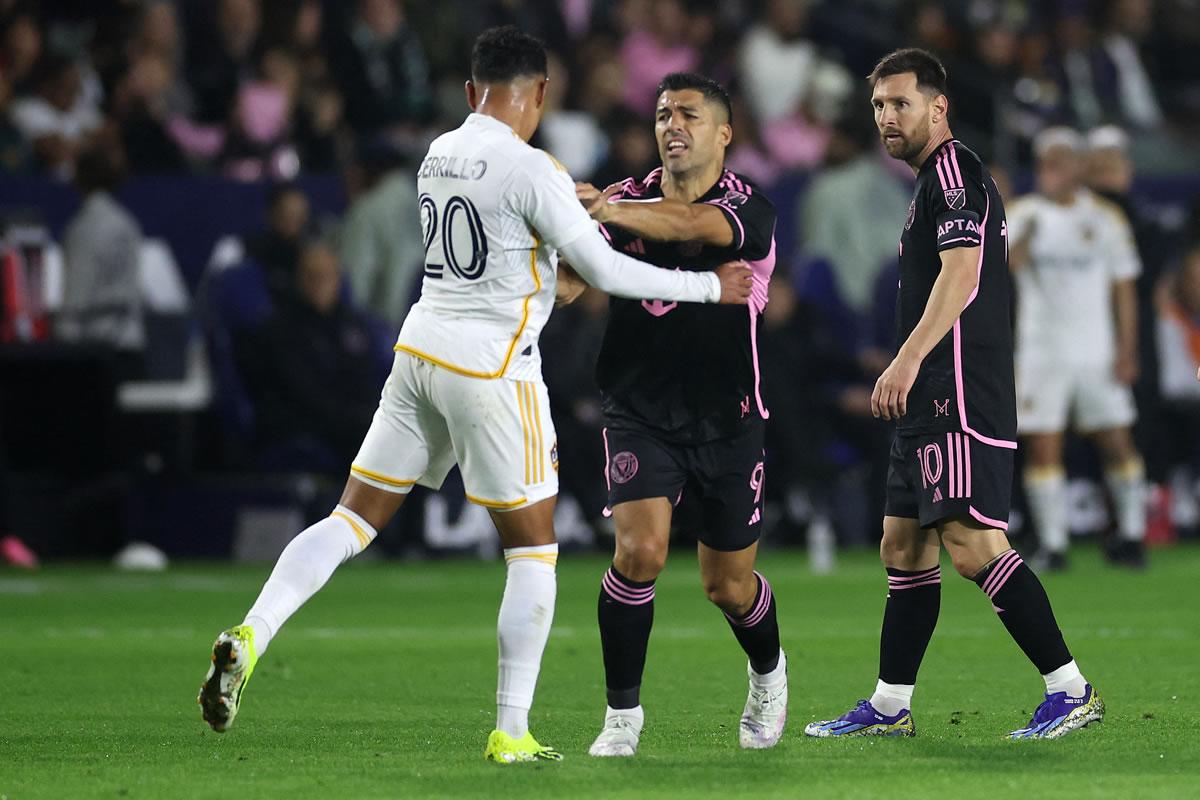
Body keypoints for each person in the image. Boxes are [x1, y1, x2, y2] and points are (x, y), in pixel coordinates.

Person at [196, 26, 752, 766]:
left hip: (420, 351)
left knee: (351, 518)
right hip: (494, 369)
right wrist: (709, 285)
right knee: (534, 552)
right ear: (542, 94)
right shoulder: (532, 169)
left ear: (471, 92)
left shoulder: (437, 154)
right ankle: (511, 730)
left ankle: (255, 631)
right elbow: (609, 275)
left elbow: (523, 263)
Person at [803, 49, 1103, 741]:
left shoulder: (955, 171)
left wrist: (906, 361)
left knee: (971, 543)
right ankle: (887, 706)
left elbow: (963, 276)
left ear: (938, 107)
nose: (886, 118)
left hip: (957, 388)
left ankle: (1071, 689)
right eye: (878, 106)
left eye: (900, 103)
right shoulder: (929, 183)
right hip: (930, 391)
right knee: (903, 546)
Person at [574, 72, 788, 756]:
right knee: (640, 552)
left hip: (728, 413)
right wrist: (563, 259)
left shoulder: (750, 208)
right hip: (639, 408)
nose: (672, 124)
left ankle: (767, 671)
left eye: (689, 115)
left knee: (726, 585)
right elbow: (576, 282)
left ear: (723, 133)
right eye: (664, 113)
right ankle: (621, 718)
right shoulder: (626, 197)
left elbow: (695, 226)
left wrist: (602, 213)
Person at [1008, 127, 1147, 571]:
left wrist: (1128, 349)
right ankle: (1054, 544)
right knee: (1043, 447)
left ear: (1079, 166)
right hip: (1041, 352)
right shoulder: (1022, 215)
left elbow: (1123, 289)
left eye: (1064, 161)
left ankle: (1131, 534)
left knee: (1117, 443)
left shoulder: (1106, 218)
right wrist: (1030, 230)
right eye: (1049, 163)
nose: (1056, 170)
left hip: (1096, 351)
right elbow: (1008, 265)